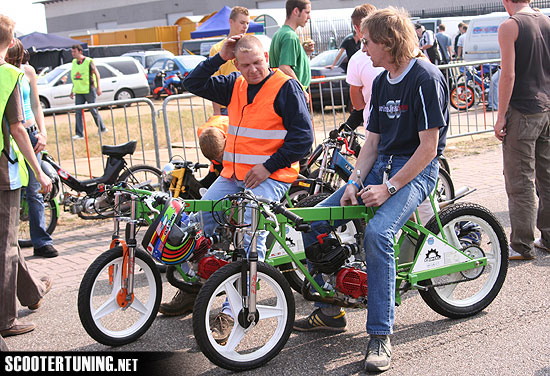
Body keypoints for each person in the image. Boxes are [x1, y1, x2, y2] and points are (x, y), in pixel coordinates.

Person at [293, 7, 448, 372]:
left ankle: (380, 334)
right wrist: (355, 181)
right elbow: (373, 141)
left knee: (379, 233)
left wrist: (389, 187)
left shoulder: (425, 77)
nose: (362, 50)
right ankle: (330, 309)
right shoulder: (380, 81)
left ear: (389, 42)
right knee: (312, 222)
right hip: (382, 166)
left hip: (417, 171)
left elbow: (428, 149)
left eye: (367, 42)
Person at [159, 35, 314, 338]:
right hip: (233, 175)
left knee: (248, 237)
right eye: (245, 65)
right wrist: (219, 57)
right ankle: (196, 286)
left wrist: (267, 167)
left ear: (266, 56)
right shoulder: (235, 82)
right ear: (236, 64)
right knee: (200, 220)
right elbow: (192, 83)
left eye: (257, 62)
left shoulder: (285, 87)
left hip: (270, 177)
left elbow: (303, 140)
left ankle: (234, 310)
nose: (253, 69)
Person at [0, 14, 53, 338]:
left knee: (6, 241)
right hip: (4, 168)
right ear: (12, 39)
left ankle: (31, 293)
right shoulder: (10, 75)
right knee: (5, 246)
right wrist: (39, 171)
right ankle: (6, 320)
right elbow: (18, 128)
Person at [494, 0, 550, 260]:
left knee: (520, 181)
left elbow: (508, 75)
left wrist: (501, 116)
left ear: (507, 1)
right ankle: (547, 238)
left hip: (523, 110)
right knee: (546, 178)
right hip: (546, 107)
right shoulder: (545, 20)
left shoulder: (510, 26)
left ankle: (521, 244)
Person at [5, 39, 58, 258]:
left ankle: (41, 241)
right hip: (10, 134)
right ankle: (10, 242)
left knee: (35, 190)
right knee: (12, 190)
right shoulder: (4, 73)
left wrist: (43, 132)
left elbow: (36, 104)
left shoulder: (27, 72)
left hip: (30, 132)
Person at [345, 4, 384, 128]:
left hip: (374, 124)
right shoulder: (397, 50)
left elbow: (357, 103)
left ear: (357, 28)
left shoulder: (356, 60)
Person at [209, 6, 250, 116]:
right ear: (231, 22)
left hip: (249, 104)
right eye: (242, 22)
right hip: (227, 106)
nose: (245, 26)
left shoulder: (251, 46)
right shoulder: (218, 49)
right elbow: (215, 83)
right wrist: (217, 113)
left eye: (247, 23)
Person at [269, 0, 313, 95]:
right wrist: (301, 89)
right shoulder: (290, 36)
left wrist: (304, 53)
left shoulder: (279, 33)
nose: (309, 17)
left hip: (283, 92)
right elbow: (284, 67)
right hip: (291, 93)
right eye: (307, 12)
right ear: (296, 11)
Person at [69, 44, 106, 139]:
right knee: (78, 112)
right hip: (79, 91)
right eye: (72, 52)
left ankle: (102, 128)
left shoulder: (88, 61)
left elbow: (97, 74)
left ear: (80, 51)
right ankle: (79, 134)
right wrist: (72, 90)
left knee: (93, 110)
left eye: (74, 51)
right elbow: (75, 78)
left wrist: (98, 87)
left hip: (89, 89)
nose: (73, 54)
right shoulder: (74, 62)